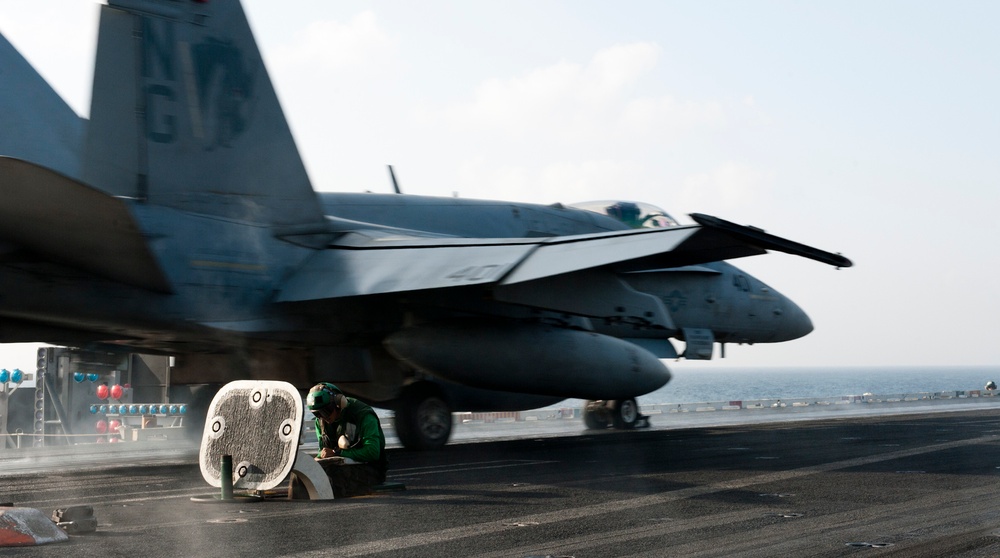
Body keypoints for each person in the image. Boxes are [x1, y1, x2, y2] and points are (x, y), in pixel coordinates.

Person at [304, 382, 388, 497]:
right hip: (338, 466)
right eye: (317, 413)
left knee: (335, 478)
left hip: (370, 468)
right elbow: (323, 450)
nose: (323, 417)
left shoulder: (363, 415)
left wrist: (337, 453)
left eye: (326, 411)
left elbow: (373, 452)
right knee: (303, 478)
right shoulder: (321, 422)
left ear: (338, 403)